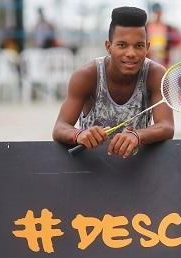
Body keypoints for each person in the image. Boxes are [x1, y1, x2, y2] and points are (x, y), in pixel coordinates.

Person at [52, 6, 174, 158]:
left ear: (147, 47)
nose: (131, 53)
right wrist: (79, 135)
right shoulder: (87, 76)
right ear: (108, 46)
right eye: (122, 45)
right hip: (92, 167)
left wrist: (137, 136)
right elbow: (59, 127)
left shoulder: (156, 74)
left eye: (139, 46)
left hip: (138, 168)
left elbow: (167, 126)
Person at [146, 2, 181, 67]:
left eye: (159, 12)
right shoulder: (146, 27)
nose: (157, 14)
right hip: (149, 64)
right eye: (156, 12)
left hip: (165, 64)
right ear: (153, 12)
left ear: (162, 12)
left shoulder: (170, 29)